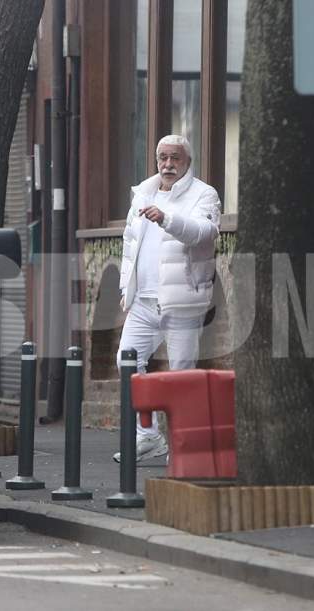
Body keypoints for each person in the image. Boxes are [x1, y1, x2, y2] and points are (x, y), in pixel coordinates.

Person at [113, 135, 221, 463]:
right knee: (127, 361)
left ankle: (184, 450)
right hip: (143, 302)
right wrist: (125, 289)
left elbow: (204, 232)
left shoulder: (204, 194)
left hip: (182, 301)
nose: (167, 164)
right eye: (162, 157)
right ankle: (148, 437)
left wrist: (167, 218)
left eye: (175, 158)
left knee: (181, 375)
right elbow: (130, 245)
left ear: (187, 162)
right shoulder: (143, 193)